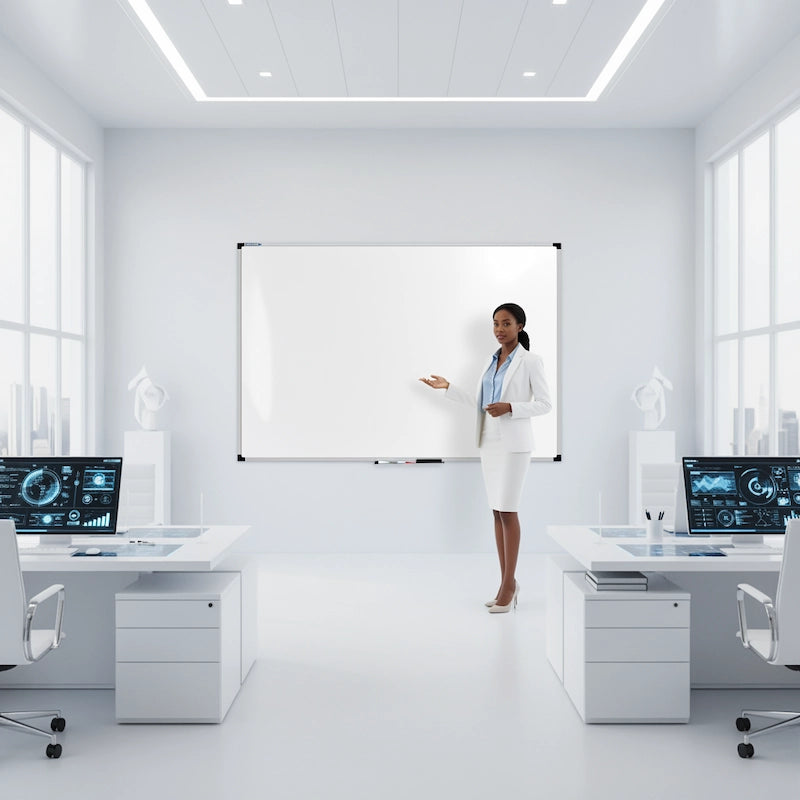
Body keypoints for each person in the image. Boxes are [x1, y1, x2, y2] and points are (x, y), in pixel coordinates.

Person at [419, 303, 551, 613]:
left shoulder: (531, 361)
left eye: (506, 323)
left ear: (519, 326)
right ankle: (506, 581)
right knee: (496, 512)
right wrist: (449, 388)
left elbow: (545, 404)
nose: (499, 329)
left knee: (509, 511)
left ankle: (509, 584)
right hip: (489, 443)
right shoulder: (490, 362)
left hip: (515, 445)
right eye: (495, 324)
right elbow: (482, 403)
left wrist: (512, 407)